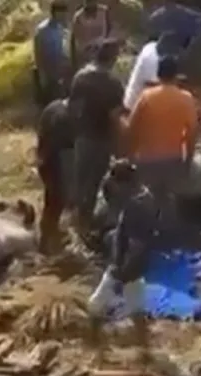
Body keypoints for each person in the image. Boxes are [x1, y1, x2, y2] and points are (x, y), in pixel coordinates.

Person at [88, 159, 160, 362]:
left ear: (124, 183)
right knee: (136, 304)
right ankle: (144, 346)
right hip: (134, 265)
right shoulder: (143, 197)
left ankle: (93, 345)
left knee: (95, 304)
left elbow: (137, 242)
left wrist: (121, 267)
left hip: (125, 264)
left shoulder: (137, 206)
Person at [126, 56, 197, 230]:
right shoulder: (186, 99)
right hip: (172, 159)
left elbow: (132, 127)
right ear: (176, 75)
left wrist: (131, 155)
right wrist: (188, 160)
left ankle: (145, 235)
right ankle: (166, 237)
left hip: (147, 159)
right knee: (168, 201)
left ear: (158, 74)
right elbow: (192, 134)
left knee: (148, 200)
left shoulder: (146, 97)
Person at [69, 38, 125, 234]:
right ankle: (84, 224)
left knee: (79, 178)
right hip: (101, 139)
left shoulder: (80, 76)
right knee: (93, 183)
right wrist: (119, 146)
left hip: (82, 136)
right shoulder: (113, 83)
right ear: (113, 59)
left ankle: (74, 218)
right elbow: (115, 117)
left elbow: (73, 108)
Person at [36, 97, 75, 253]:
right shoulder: (69, 117)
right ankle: (47, 245)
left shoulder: (53, 107)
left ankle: (46, 240)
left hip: (45, 160)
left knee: (51, 203)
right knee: (57, 202)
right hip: (58, 162)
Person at [123, 32, 178, 111]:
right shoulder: (153, 59)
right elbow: (152, 89)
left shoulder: (151, 46)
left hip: (140, 102)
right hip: (135, 108)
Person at [33, 1, 70, 109]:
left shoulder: (61, 28)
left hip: (59, 71)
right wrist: (42, 75)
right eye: (62, 13)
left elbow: (62, 49)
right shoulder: (42, 30)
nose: (64, 16)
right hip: (47, 72)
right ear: (55, 13)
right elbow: (38, 53)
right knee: (48, 103)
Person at [70, 0, 111, 71]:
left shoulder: (104, 12)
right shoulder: (79, 16)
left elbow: (109, 29)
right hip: (85, 54)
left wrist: (105, 46)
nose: (90, 3)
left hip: (100, 53)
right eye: (88, 1)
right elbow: (73, 39)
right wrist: (73, 60)